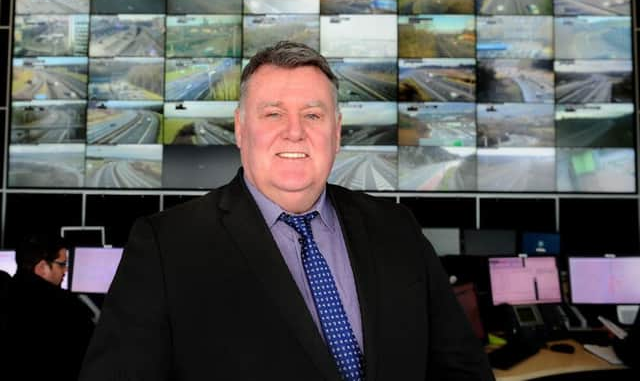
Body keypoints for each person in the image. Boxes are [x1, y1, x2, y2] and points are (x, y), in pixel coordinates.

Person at [80, 41, 493, 381]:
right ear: (241, 129)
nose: (294, 131)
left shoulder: (396, 228)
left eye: (313, 115)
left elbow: (462, 370)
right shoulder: (166, 246)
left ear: (336, 132)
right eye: (273, 113)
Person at [3, 234, 94, 379]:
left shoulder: (6, 294)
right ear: (41, 268)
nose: (66, 271)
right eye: (62, 264)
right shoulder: (68, 309)